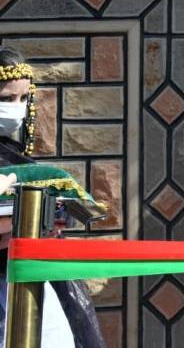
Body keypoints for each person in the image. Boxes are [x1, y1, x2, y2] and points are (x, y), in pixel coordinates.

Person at [0, 46, 106, 348]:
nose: (17, 108)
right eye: (6, 99)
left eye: (23, 98)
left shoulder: (17, 157)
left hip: (37, 282)